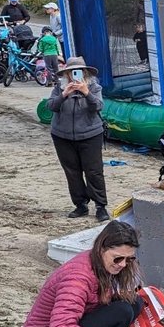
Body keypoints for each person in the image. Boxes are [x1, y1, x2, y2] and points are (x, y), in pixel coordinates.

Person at [19, 220, 141, 327]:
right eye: (118, 258)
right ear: (101, 249)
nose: (123, 264)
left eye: (129, 259)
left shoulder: (100, 266)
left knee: (133, 303)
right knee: (121, 311)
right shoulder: (77, 277)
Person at [48, 56, 109, 222]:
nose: (74, 75)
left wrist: (86, 92)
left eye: (79, 72)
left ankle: (100, 206)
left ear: (85, 73)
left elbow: (98, 106)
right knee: (72, 172)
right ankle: (80, 205)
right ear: (66, 74)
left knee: (94, 171)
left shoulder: (94, 87)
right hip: (62, 136)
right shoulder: (59, 88)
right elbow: (51, 106)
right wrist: (64, 94)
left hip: (90, 134)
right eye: (71, 72)